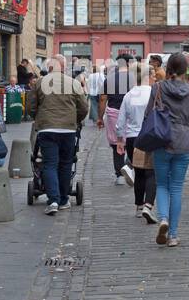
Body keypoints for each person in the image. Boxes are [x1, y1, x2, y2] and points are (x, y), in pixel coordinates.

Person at [151, 53, 189, 248]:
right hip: (183, 141)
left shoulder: (157, 88)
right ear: (185, 70)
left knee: (162, 184)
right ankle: (173, 234)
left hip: (162, 140)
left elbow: (149, 113)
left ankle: (163, 218)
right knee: (177, 187)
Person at [27, 55, 88, 215]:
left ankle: (53, 200)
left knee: (49, 164)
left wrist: (38, 118)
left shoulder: (40, 82)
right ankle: (63, 200)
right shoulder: (73, 83)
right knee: (66, 163)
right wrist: (76, 120)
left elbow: (31, 106)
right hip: (68, 129)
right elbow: (83, 107)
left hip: (47, 129)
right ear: (64, 67)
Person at [115, 62, 158, 223]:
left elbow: (120, 121)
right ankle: (148, 204)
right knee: (152, 172)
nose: (154, 78)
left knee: (139, 173)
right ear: (147, 76)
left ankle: (139, 205)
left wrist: (120, 140)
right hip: (151, 136)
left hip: (133, 137)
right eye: (152, 75)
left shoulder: (129, 95)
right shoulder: (154, 93)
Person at [99, 55, 135, 184]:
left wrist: (100, 117)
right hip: (132, 114)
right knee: (134, 141)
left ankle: (119, 175)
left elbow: (103, 99)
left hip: (114, 113)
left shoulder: (109, 78)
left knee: (116, 144)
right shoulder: (134, 78)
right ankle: (129, 165)